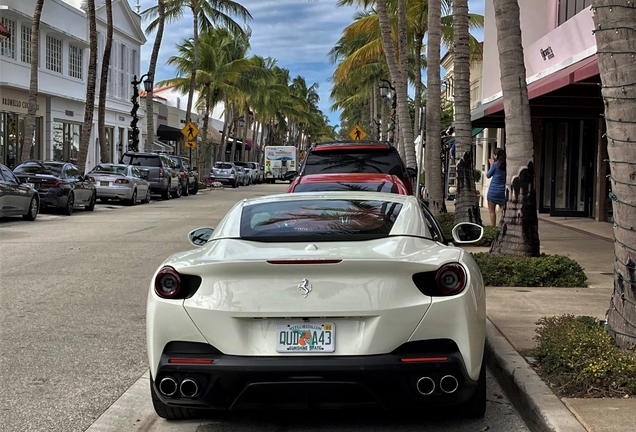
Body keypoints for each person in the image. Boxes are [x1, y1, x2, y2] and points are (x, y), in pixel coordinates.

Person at [486, 148, 506, 226]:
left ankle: (493, 228)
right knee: (503, 211)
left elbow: (488, 175)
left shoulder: (495, 165)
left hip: (493, 191)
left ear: (496, 155)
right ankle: (504, 226)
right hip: (502, 191)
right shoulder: (506, 165)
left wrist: (491, 165)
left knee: (492, 211)